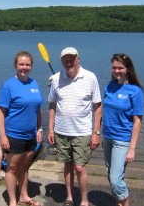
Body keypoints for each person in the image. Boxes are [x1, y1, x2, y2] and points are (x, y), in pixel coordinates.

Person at [48, 47, 102, 206]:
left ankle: (84, 200)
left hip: (82, 132)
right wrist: (50, 129)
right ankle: (70, 197)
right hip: (61, 131)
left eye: (72, 59)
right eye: (65, 59)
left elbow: (98, 107)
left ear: (78, 59)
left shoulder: (90, 77)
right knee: (67, 165)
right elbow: (52, 105)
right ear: (62, 61)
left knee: (79, 167)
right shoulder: (57, 79)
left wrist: (96, 132)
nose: (69, 62)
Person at [0, 51, 44, 206]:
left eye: (27, 64)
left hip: (30, 135)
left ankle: (24, 195)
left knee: (24, 166)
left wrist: (39, 128)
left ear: (31, 66)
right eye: (21, 64)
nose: (24, 67)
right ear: (15, 65)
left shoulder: (34, 84)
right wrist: (3, 136)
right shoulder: (8, 85)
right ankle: (12, 201)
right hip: (13, 135)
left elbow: (37, 109)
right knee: (12, 168)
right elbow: (0, 112)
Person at [102, 53, 144, 206]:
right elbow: (105, 110)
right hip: (107, 137)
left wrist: (132, 148)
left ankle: (124, 201)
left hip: (122, 140)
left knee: (115, 179)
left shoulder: (135, 91)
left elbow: (138, 121)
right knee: (111, 175)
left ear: (128, 69)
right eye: (114, 67)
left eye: (120, 68)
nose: (117, 71)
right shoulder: (109, 86)